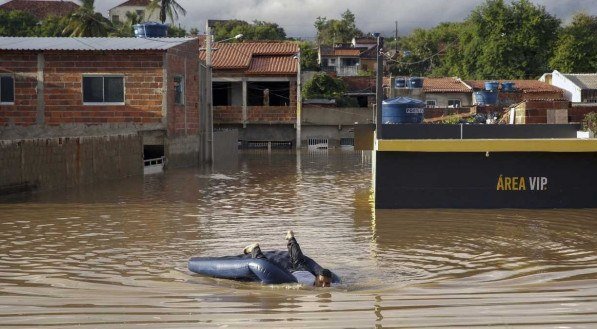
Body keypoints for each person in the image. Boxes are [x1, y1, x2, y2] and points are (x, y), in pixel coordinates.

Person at [243, 230, 332, 287]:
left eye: (327, 283)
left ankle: (291, 237)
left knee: (298, 259)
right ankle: (255, 249)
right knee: (268, 266)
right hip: (291, 274)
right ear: (316, 278)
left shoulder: (332, 284)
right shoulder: (305, 285)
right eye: (321, 282)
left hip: (302, 271)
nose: (323, 286)